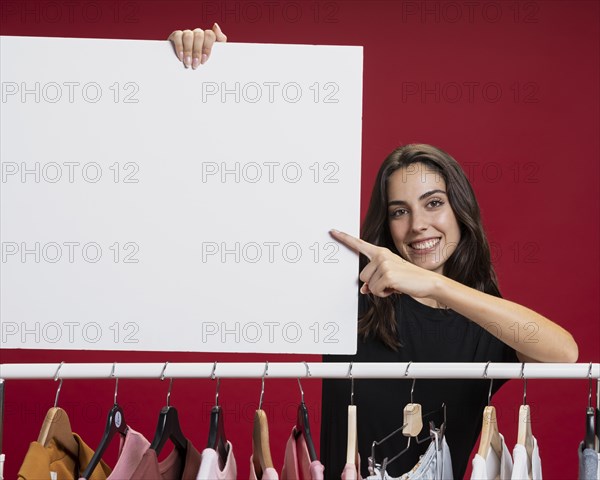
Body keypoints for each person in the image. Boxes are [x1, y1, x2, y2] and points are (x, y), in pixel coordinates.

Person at [167, 26, 579, 479]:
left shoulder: (484, 322)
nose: (418, 224)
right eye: (399, 211)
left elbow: (563, 354)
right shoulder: (347, 299)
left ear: (461, 212)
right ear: (386, 225)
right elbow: (254, 202)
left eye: (434, 204)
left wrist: (436, 285)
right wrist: (227, 80)